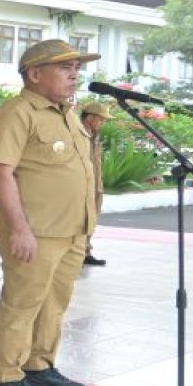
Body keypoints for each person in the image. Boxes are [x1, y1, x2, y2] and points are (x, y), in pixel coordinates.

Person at [0, 39, 99, 386]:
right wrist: (19, 228)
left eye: (76, 68)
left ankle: (39, 365)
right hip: (34, 231)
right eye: (65, 68)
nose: (74, 74)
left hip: (71, 230)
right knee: (23, 302)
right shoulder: (18, 112)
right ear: (35, 74)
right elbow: (1, 173)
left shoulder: (66, 114)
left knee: (55, 303)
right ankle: (6, 376)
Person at [80, 101, 109, 267]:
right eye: (101, 119)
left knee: (92, 219)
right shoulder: (79, 134)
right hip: (83, 186)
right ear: (90, 118)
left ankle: (86, 251)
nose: (103, 123)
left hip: (96, 185)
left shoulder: (95, 136)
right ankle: (77, 251)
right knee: (81, 219)